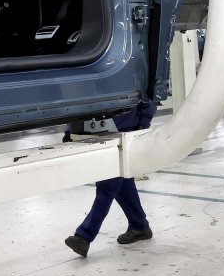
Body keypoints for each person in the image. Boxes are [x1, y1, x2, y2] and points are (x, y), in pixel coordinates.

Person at [64, 98, 155, 257]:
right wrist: (70, 128)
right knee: (122, 183)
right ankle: (139, 225)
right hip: (96, 128)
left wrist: (143, 122)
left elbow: (149, 93)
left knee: (107, 184)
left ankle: (84, 237)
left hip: (124, 127)